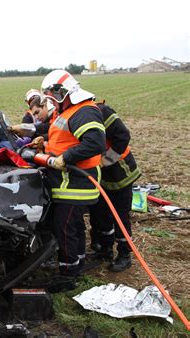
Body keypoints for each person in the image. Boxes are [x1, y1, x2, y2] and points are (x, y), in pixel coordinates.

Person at [31, 70, 106, 278]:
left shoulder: (84, 111)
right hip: (68, 182)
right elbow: (62, 136)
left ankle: (68, 273)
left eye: (51, 96)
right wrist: (43, 140)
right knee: (73, 226)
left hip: (76, 184)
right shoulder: (68, 112)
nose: (51, 102)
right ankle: (77, 263)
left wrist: (66, 157)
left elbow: (95, 143)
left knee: (64, 228)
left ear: (62, 92)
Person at [88, 101, 141, 272]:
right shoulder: (76, 115)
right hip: (101, 176)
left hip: (121, 173)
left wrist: (106, 161)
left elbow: (123, 136)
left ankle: (125, 255)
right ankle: (105, 250)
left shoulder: (102, 111)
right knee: (101, 215)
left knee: (120, 217)